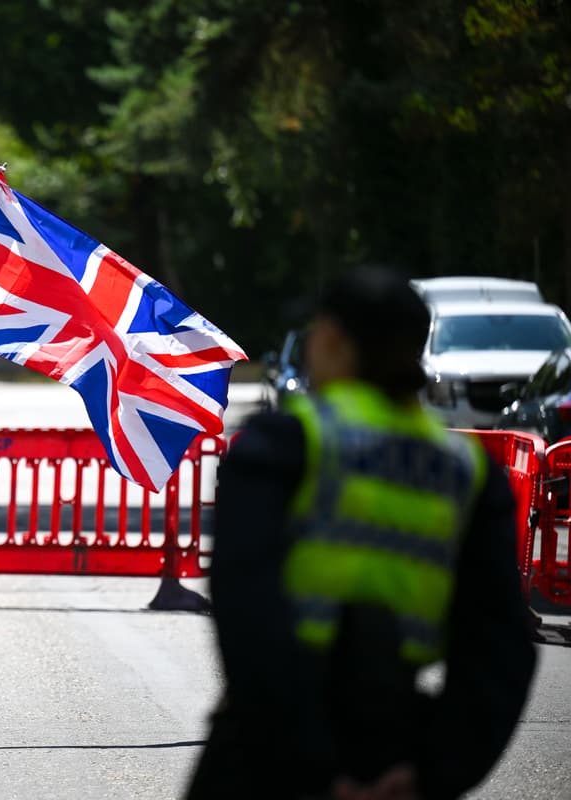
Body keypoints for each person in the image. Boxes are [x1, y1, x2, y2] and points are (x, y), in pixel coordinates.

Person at [187, 265, 537, 800]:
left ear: (330, 340)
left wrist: (311, 767)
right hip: (394, 748)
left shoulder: (283, 446)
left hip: (270, 753)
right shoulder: (467, 472)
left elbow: (249, 617)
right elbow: (499, 648)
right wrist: (433, 772)